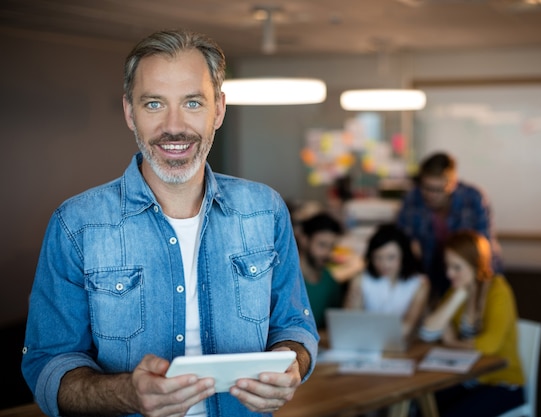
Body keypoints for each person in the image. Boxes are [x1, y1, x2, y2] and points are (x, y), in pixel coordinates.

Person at [21, 29, 318, 417]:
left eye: (193, 102)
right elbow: (47, 366)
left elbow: (295, 326)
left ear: (220, 109)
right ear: (130, 112)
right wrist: (126, 393)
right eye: (154, 104)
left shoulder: (265, 209)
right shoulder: (76, 225)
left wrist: (291, 362)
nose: (174, 127)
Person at [418, 230, 523, 417]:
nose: (449, 273)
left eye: (457, 267)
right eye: (447, 266)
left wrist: (452, 344)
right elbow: (428, 333)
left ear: (476, 264)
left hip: (502, 383)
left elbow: (489, 346)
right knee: (419, 406)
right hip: (468, 379)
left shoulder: (498, 290)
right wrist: (458, 296)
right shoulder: (457, 291)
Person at [396, 152, 502, 304]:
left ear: (453, 183)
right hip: (429, 272)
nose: (430, 195)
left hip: (468, 272)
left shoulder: (473, 198)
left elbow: (484, 247)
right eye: (426, 188)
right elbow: (402, 241)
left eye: (438, 190)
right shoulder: (412, 199)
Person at [344, 223, 430, 339]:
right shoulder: (361, 279)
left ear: (404, 255)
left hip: (401, 345)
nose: (384, 264)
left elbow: (407, 327)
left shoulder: (420, 284)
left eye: (391, 257)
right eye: (378, 257)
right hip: (367, 343)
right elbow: (349, 321)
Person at [298, 212, 363, 329]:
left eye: (331, 247)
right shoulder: (286, 279)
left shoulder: (330, 281)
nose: (327, 253)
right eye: (322, 245)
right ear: (304, 240)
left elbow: (334, 326)